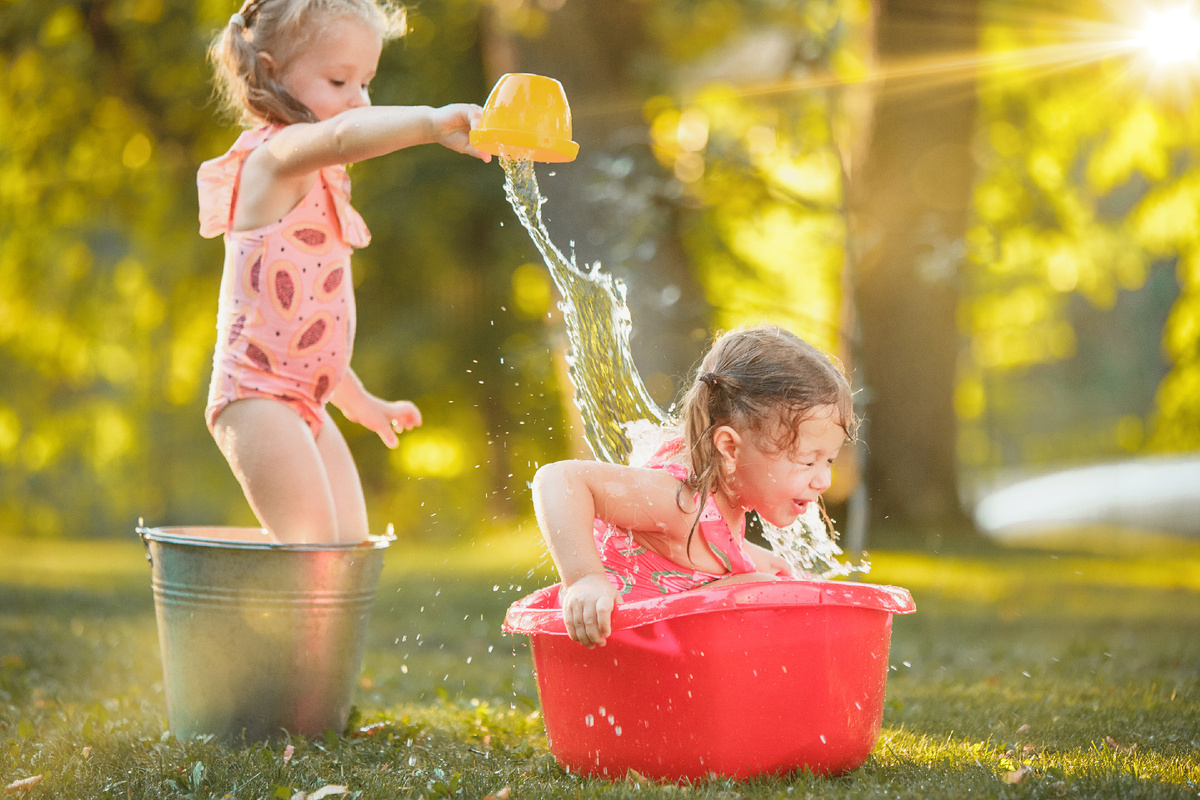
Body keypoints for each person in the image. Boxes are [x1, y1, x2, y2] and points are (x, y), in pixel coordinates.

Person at [198, 0, 491, 543]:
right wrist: (430, 123)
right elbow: (340, 136)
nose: (358, 100)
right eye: (338, 81)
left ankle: (311, 605)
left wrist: (359, 402)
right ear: (273, 73)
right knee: (314, 553)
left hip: (306, 396)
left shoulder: (318, 177)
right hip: (256, 396)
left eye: (366, 83)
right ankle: (271, 601)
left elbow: (307, 328)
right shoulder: (274, 158)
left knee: (349, 549)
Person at [532, 325, 856, 647]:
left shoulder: (721, 498)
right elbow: (560, 479)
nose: (823, 481)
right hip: (612, 651)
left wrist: (747, 556)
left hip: (664, 656)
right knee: (763, 589)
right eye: (807, 461)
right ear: (730, 447)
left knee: (768, 583)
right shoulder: (680, 500)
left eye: (828, 460)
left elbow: (697, 551)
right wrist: (585, 579)